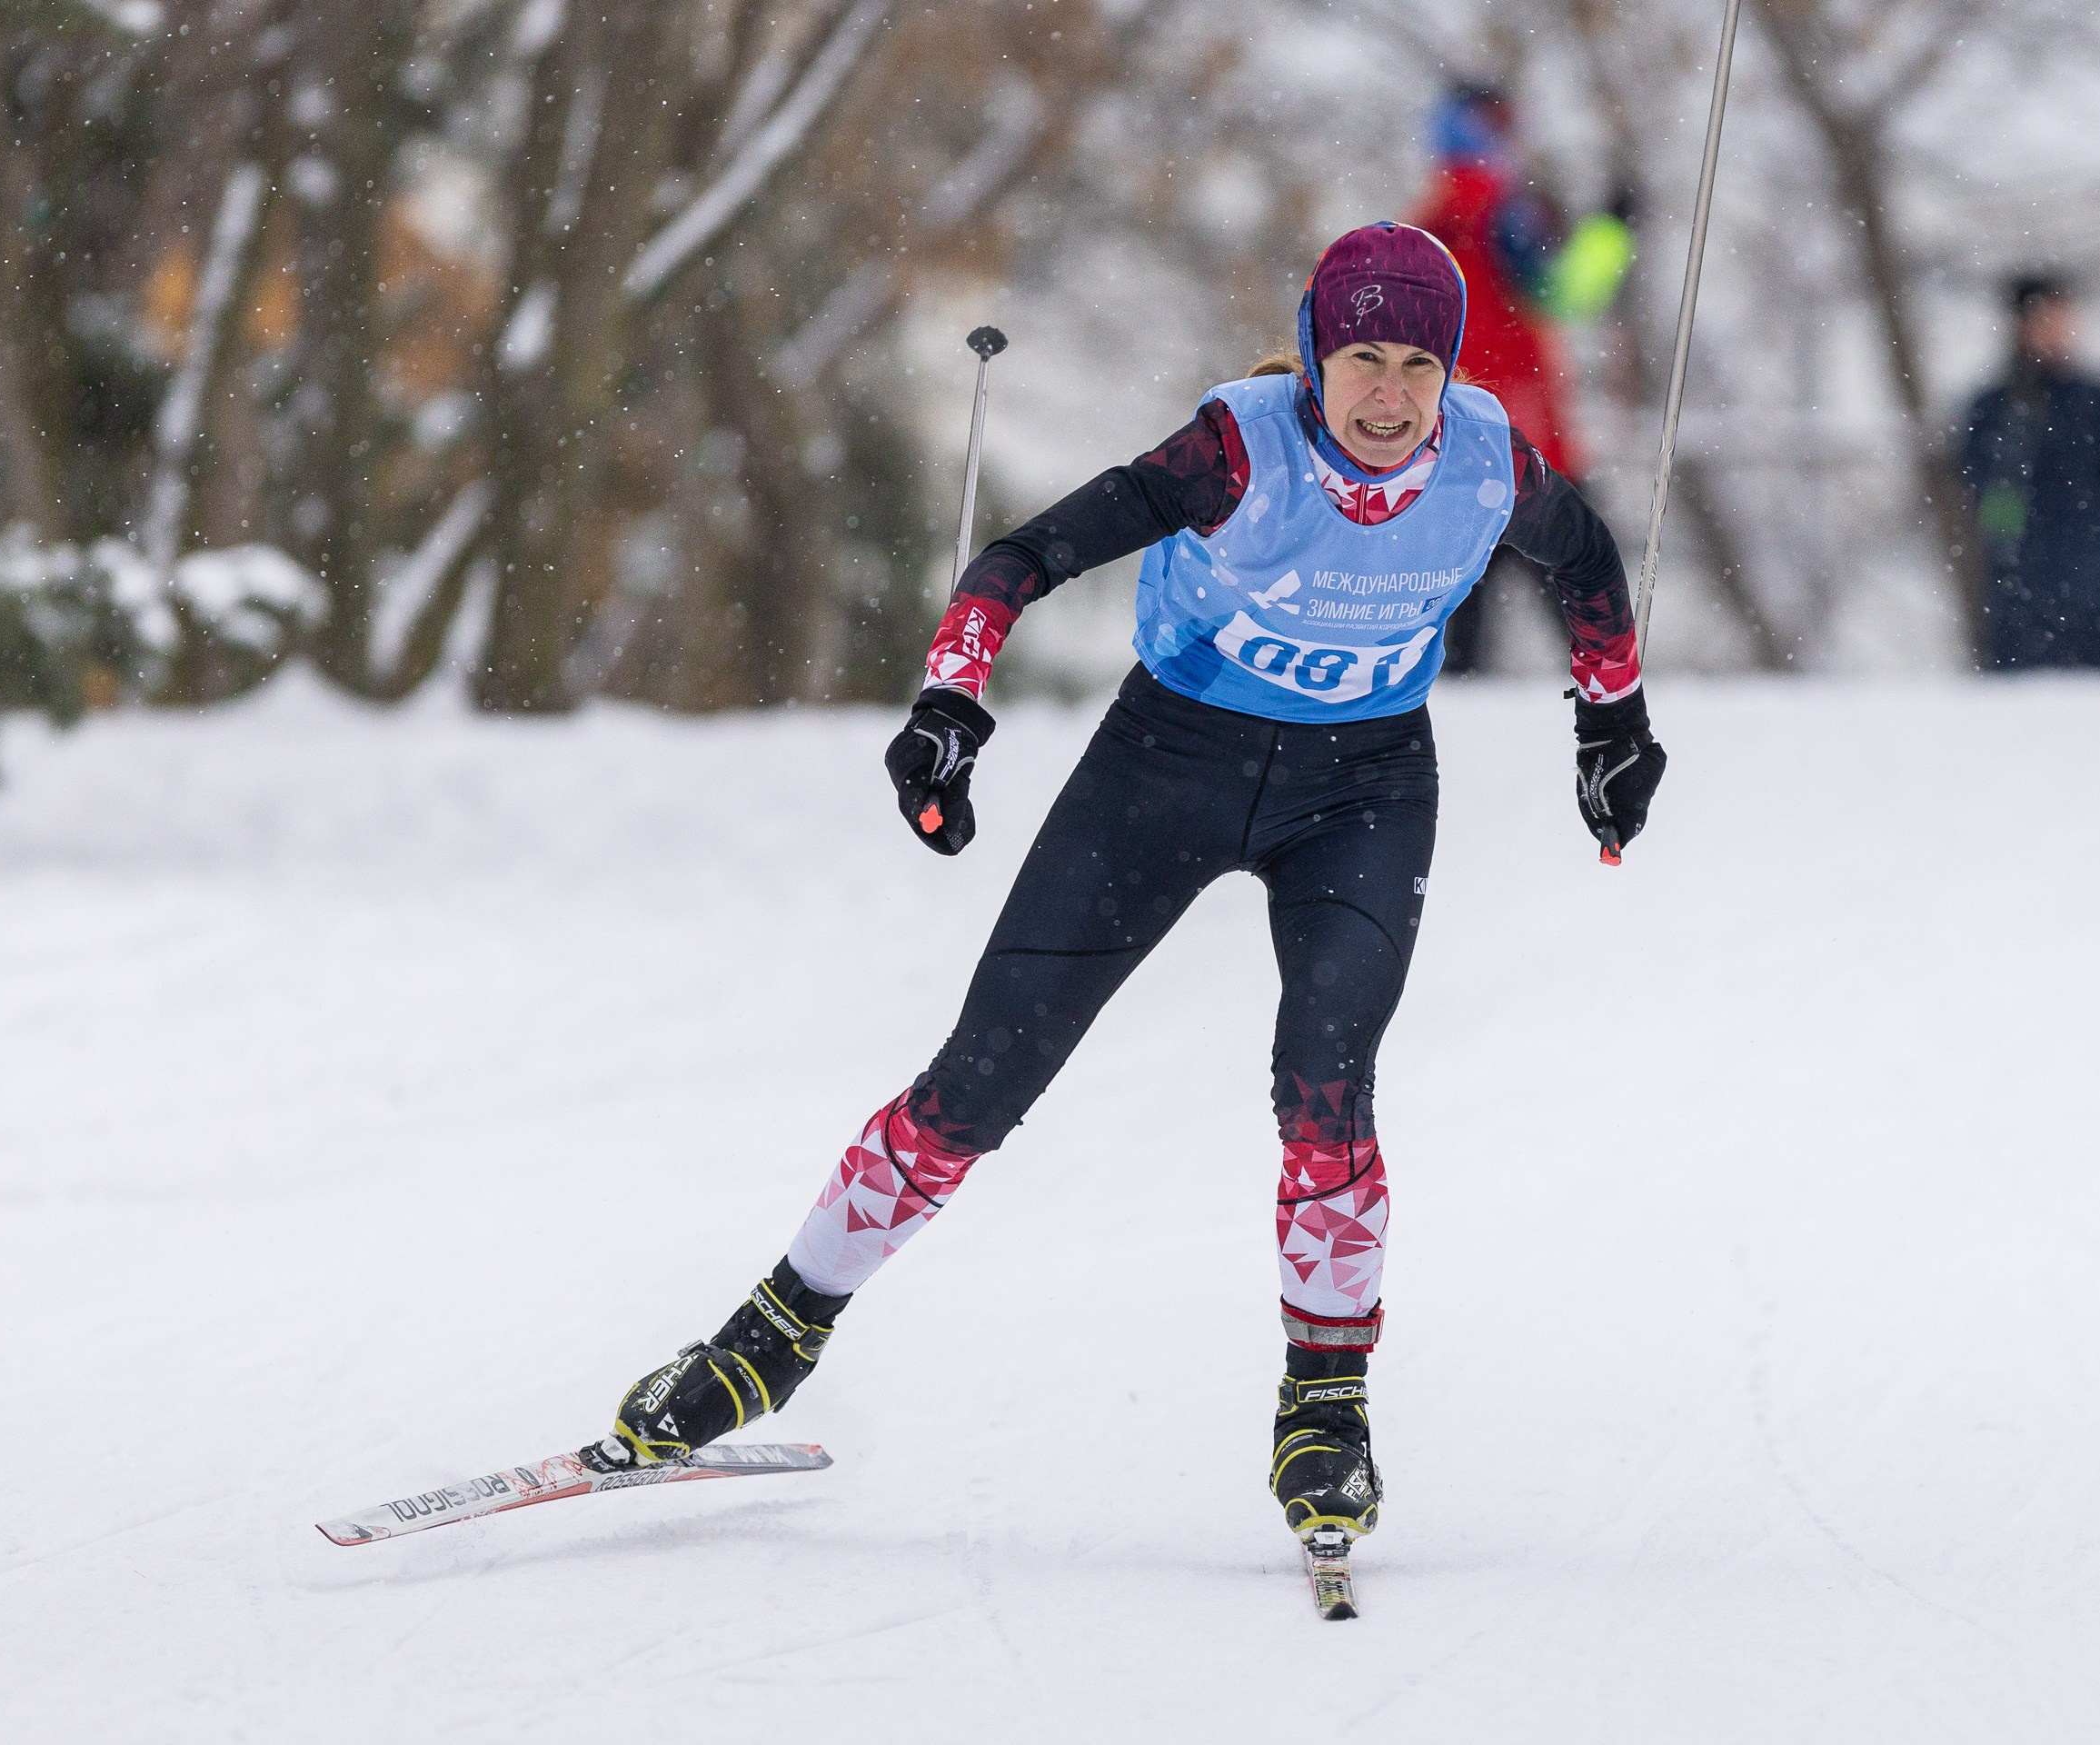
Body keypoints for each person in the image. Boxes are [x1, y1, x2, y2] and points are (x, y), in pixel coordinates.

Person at [593, 224, 1665, 1561]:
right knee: (982, 1078)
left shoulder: (1487, 463)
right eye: (1363, 362)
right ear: (1316, 354)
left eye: (1419, 367)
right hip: (1169, 765)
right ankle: (766, 1343)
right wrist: (948, 700)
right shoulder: (1235, 451)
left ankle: (1325, 1413)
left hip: (1366, 790)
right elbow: (1021, 561)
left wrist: (1611, 727)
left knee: (1327, 1079)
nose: (1390, 397)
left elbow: (1593, 561)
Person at [1408, 83, 1634, 675]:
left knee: (1458, 628)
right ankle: (1616, 703)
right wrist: (1612, 231)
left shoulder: (1422, 225)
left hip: (1451, 444)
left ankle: (1451, 736)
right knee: (1586, 599)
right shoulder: (1501, 215)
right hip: (1529, 439)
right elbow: (1568, 293)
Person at [1956, 274, 2100, 671]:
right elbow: (1979, 490)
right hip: (2018, 597)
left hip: (2094, 592)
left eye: (2064, 319)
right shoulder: (1993, 405)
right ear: (2020, 327)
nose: (2057, 332)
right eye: (2044, 320)